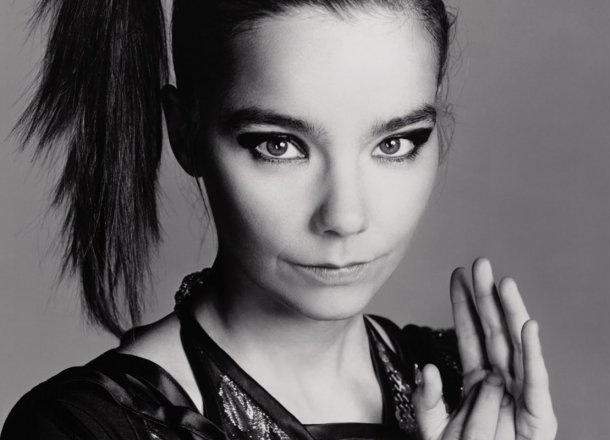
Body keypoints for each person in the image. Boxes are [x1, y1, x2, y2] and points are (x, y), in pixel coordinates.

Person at [1, 0, 557, 439]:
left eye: (395, 143)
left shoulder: (470, 388)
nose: (345, 217)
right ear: (184, 133)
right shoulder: (84, 428)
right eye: (278, 145)